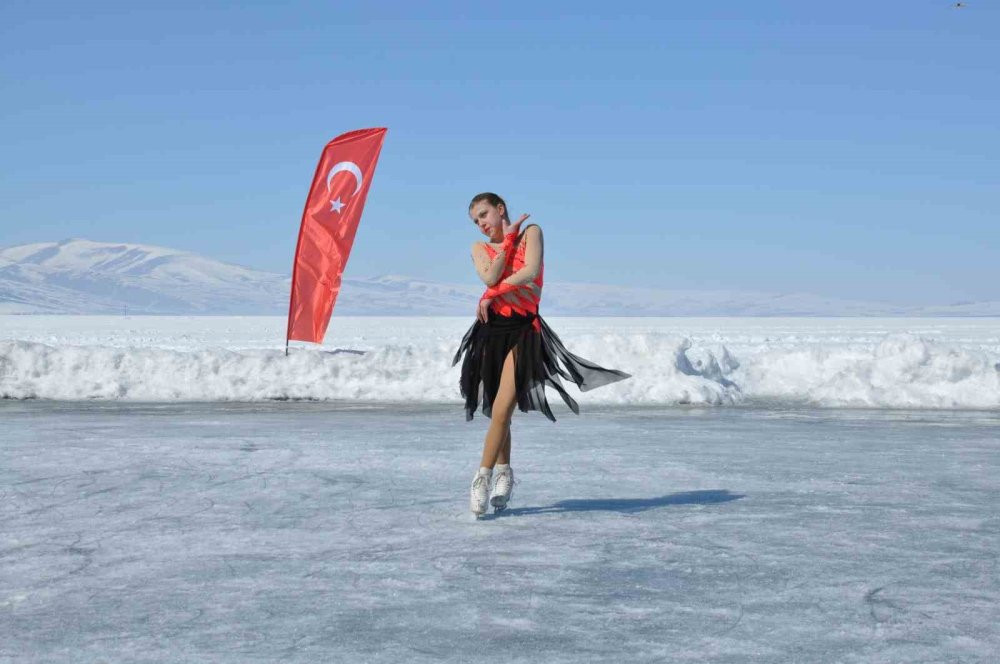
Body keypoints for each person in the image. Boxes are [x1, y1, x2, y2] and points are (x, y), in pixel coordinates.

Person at [452, 192, 633, 517]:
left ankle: (482, 477)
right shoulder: (479, 249)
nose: (480, 224)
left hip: (525, 331)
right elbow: (490, 275)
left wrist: (492, 293)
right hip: (490, 332)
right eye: (475, 221)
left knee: (504, 406)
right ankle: (505, 471)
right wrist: (505, 245)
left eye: (483, 215)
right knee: (497, 412)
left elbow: (531, 272)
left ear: (500, 208)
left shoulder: (532, 233)